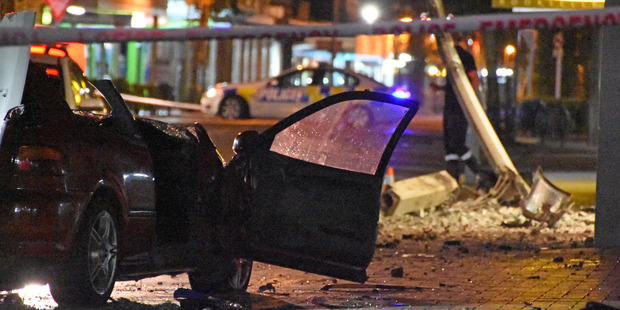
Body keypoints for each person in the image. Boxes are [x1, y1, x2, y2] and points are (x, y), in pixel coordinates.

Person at [433, 34, 484, 184]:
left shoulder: (463, 57)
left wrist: (468, 101)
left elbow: (474, 78)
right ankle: (453, 180)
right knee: (449, 146)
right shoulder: (450, 59)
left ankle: (479, 172)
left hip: (459, 107)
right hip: (450, 105)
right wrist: (441, 88)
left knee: (457, 142)